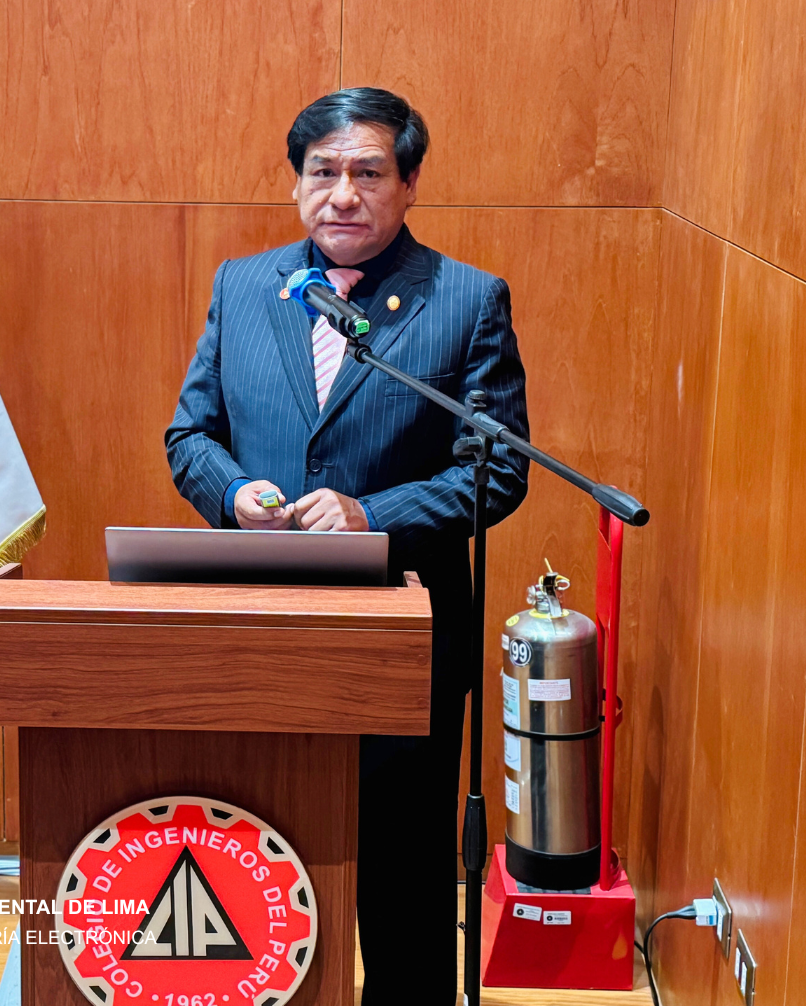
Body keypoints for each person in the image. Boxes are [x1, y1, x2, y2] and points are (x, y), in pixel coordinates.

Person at [164, 87, 530, 1002]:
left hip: (399, 639)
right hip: (258, 627)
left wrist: (374, 513)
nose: (342, 194)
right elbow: (190, 436)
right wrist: (232, 491)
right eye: (322, 172)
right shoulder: (243, 286)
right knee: (255, 855)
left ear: (409, 184)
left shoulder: (466, 300)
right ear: (296, 184)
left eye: (368, 172)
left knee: (401, 881)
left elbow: (496, 471)